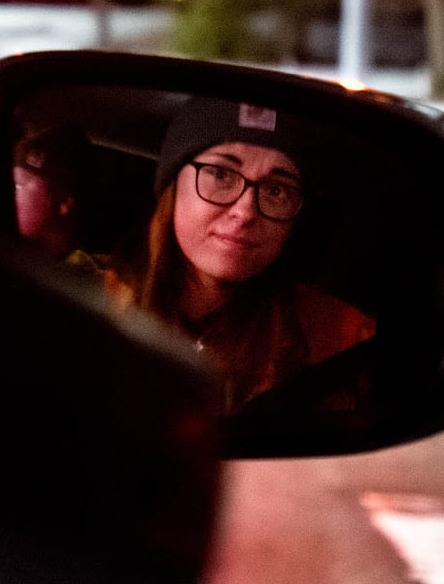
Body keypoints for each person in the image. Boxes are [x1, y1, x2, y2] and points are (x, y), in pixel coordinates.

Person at [101, 96, 374, 411]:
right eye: (220, 175)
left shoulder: (340, 337)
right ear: (172, 187)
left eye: (276, 191)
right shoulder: (84, 306)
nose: (245, 212)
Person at [11, 122, 90, 259]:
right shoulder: (10, 255)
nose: (6, 193)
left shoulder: (76, 276)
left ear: (63, 201)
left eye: (19, 185)